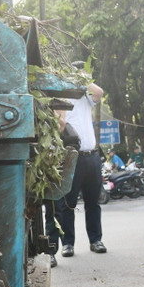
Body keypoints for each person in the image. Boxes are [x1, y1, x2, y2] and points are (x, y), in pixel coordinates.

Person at [56, 82, 107, 258]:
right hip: (71, 156)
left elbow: (99, 91)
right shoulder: (60, 98)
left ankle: (95, 240)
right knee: (67, 204)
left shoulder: (86, 98)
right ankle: (68, 243)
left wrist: (83, 80)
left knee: (93, 202)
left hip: (91, 156)